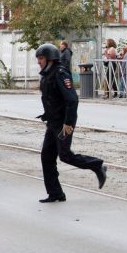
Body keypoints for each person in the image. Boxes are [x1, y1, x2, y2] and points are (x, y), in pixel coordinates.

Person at [34, 43, 106, 203]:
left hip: (63, 123)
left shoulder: (60, 73)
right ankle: (55, 193)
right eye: (38, 59)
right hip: (53, 123)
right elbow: (50, 98)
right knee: (46, 157)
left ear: (49, 58)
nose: (38, 62)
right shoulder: (47, 74)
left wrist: (69, 122)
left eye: (41, 58)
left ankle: (97, 166)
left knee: (65, 155)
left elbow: (72, 100)